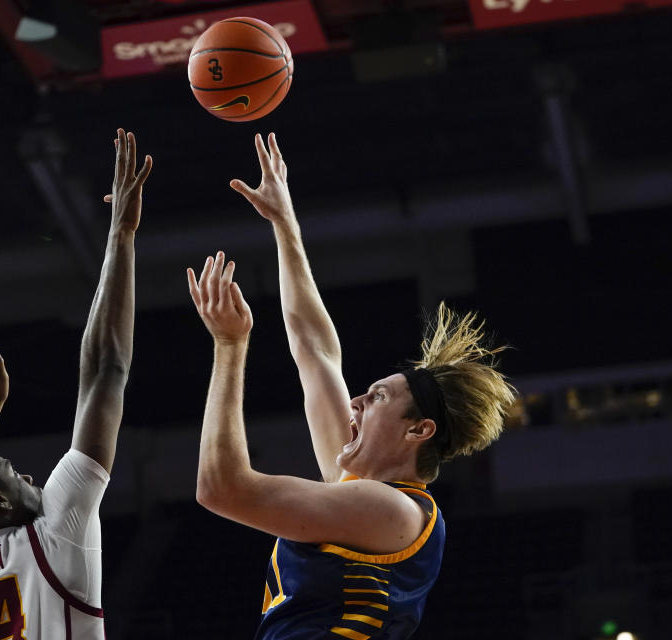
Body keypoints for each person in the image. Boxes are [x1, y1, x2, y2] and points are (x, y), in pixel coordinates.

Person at [186, 133, 516, 640]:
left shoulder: (391, 508)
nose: (358, 400)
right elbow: (315, 350)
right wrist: (285, 226)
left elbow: (220, 488)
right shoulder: (365, 496)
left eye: (379, 395)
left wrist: (230, 348)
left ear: (418, 430)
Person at [0, 128, 152, 640]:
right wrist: (120, 236)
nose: (32, 480)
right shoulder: (54, 535)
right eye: (13, 472)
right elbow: (105, 369)